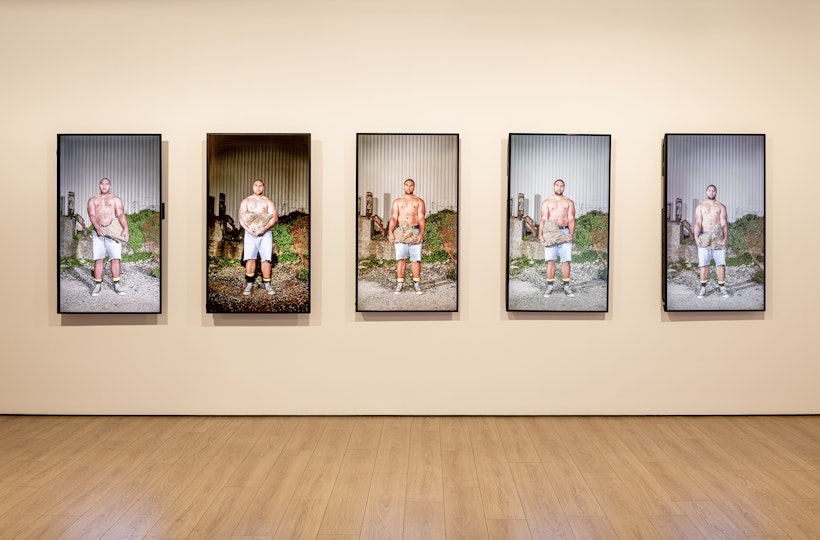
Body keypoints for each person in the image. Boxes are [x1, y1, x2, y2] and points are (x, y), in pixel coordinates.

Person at [87, 177, 129, 297]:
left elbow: (120, 213)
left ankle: (116, 284)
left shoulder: (116, 199)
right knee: (98, 259)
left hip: (113, 232)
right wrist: (97, 227)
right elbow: (91, 214)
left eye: (106, 184)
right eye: (102, 184)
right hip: (98, 231)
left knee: (115, 258)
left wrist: (125, 228)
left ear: (109, 186)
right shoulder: (93, 200)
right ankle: (97, 285)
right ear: (99, 185)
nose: (104, 186)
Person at [238, 179, 278, 296]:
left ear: (263, 187)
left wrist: (264, 229)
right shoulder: (246, 201)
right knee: (250, 258)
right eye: (256, 185)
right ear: (253, 187)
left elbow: (274, 218)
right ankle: (249, 284)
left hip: (265, 233)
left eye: (260, 186)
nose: (258, 188)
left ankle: (267, 284)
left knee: (266, 259)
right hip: (250, 233)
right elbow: (241, 217)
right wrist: (248, 229)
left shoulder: (268, 202)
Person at [538, 179, 576, 297]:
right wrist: (541, 235)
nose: (559, 188)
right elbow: (544, 219)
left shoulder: (569, 202)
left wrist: (571, 233)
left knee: (566, 261)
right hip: (551, 232)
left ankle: (566, 287)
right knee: (550, 260)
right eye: (557, 185)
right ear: (554, 187)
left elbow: (571, 219)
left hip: (565, 231)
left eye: (562, 186)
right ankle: (549, 287)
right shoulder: (547, 202)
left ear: (564, 187)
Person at [388, 178, 426, 294]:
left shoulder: (419, 201)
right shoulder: (397, 201)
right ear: (403, 186)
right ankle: (399, 284)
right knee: (401, 259)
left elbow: (421, 218)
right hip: (401, 232)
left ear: (414, 187)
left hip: (414, 230)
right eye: (406, 185)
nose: (409, 187)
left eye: (411, 185)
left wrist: (421, 233)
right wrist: (390, 232)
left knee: (416, 260)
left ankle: (416, 284)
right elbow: (394, 218)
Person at [693, 184, 729, 298]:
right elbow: (698, 223)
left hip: (717, 237)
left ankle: (722, 287)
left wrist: (725, 238)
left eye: (713, 191)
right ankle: (703, 288)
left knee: (721, 264)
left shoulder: (721, 206)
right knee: (704, 264)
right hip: (704, 236)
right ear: (706, 192)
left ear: (716, 193)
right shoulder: (700, 206)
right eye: (709, 190)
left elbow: (723, 223)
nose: (711, 192)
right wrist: (696, 237)